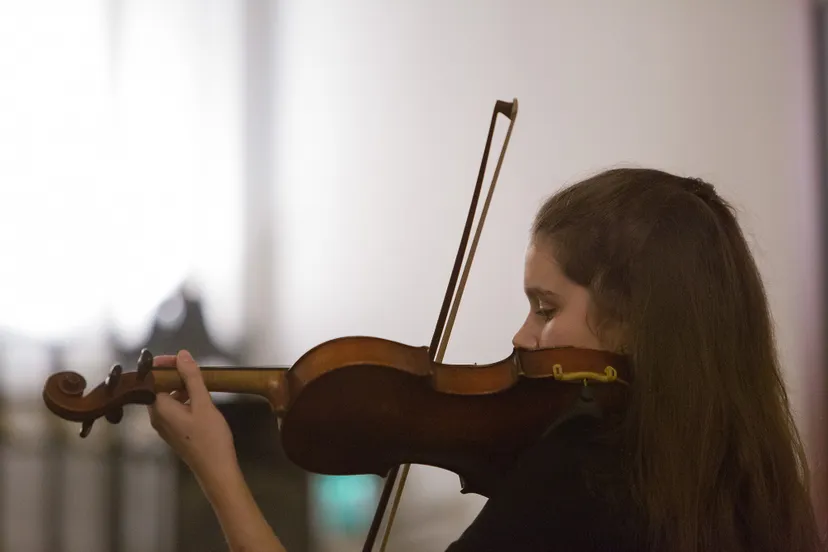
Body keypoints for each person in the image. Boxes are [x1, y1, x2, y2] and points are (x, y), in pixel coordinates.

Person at [147, 168, 825, 552]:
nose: (523, 338)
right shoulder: (757, 485)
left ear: (633, 317)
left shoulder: (583, 473)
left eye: (546, 307)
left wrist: (217, 468)